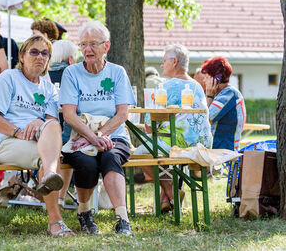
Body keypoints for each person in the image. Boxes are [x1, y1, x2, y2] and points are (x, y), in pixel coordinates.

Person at [0, 34, 73, 237]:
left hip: (37, 139)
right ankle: (55, 221)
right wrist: (17, 131)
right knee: (52, 156)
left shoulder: (49, 88)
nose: (39, 57)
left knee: (51, 126)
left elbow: (52, 124)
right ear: (22, 56)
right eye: (34, 52)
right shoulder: (9, 77)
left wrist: (39, 122)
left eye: (45, 53)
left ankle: (49, 175)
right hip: (7, 141)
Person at [60, 20, 135, 237]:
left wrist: (100, 136)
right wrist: (92, 138)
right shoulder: (71, 73)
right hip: (78, 137)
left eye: (93, 44)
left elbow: (122, 113)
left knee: (110, 157)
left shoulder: (117, 72)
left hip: (113, 136)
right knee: (85, 162)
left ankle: (122, 219)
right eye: (83, 45)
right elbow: (69, 114)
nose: (87, 50)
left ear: (106, 46)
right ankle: (84, 213)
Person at [134, 44, 212, 213]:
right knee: (158, 154)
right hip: (201, 144)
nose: (162, 65)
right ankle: (169, 196)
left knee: (137, 155)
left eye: (164, 61)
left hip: (178, 145)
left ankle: (171, 192)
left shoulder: (167, 87)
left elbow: (149, 126)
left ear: (174, 61)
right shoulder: (197, 86)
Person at [48, 39, 78, 206]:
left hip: (42, 133)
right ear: (70, 59)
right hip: (67, 135)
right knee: (70, 144)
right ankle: (60, 197)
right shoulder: (74, 76)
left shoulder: (43, 76)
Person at [201, 56, 246, 151]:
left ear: (216, 79)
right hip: (216, 151)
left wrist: (209, 96)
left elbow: (205, 120)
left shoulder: (229, 94)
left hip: (224, 154)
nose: (204, 81)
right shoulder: (219, 94)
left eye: (206, 77)